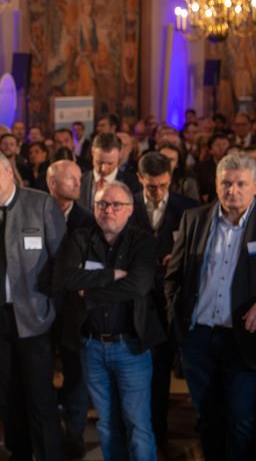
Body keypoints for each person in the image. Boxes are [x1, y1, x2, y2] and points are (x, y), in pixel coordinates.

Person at [0, 147, 65, 461]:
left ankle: (49, 455)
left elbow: (60, 263)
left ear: (9, 172)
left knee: (39, 395)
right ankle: (19, 451)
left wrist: (52, 311)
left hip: (33, 315)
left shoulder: (41, 205)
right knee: (6, 395)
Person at [56, 181, 164, 461]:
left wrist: (89, 296)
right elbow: (67, 277)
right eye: (102, 204)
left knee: (137, 425)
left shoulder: (144, 241)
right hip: (92, 347)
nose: (109, 210)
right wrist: (111, 274)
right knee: (106, 424)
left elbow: (138, 286)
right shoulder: (80, 238)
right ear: (93, 208)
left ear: (130, 210)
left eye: (117, 205)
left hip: (131, 348)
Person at [165, 153, 256, 461]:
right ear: (216, 185)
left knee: (241, 419)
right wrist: (177, 322)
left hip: (242, 339)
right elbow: (173, 276)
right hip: (198, 338)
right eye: (226, 183)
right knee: (206, 416)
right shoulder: (194, 218)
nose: (233, 190)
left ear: (254, 186)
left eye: (241, 183)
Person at [129, 152, 198, 449]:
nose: (158, 192)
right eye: (151, 186)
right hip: (134, 301)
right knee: (135, 372)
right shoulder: (126, 205)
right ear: (139, 179)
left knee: (161, 373)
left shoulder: (188, 209)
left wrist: (178, 262)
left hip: (170, 303)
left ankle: (158, 432)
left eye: (163, 185)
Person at [45, 159, 94, 458]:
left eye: (79, 178)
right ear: (52, 184)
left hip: (76, 309)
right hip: (41, 305)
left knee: (77, 373)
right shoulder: (36, 213)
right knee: (41, 372)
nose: (79, 183)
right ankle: (47, 429)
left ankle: (75, 432)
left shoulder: (88, 220)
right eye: (71, 179)